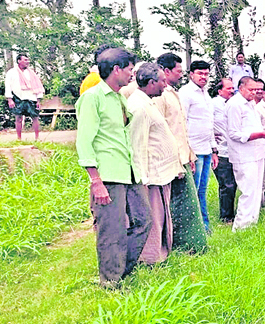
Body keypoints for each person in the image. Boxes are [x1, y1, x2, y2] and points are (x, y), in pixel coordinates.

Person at [75, 47, 150, 288]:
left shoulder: (118, 97)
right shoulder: (92, 97)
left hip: (129, 171)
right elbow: (84, 141)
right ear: (116, 69)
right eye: (129, 69)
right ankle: (110, 282)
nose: (132, 74)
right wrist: (96, 181)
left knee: (143, 220)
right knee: (112, 230)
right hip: (108, 174)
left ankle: (121, 269)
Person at [128, 63, 183, 264]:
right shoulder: (139, 106)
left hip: (161, 173)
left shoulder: (148, 102)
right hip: (151, 175)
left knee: (161, 216)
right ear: (151, 83)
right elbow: (137, 144)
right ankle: (149, 259)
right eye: (162, 80)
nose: (165, 84)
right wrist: (142, 179)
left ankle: (160, 254)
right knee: (154, 218)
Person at [154, 52, 207, 252]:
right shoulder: (159, 97)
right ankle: (175, 246)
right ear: (166, 71)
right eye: (178, 71)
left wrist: (190, 155)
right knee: (175, 206)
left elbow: (181, 128)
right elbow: (162, 131)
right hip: (171, 160)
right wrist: (175, 160)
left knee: (189, 204)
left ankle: (190, 246)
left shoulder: (172, 92)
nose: (181, 74)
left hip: (184, 157)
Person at [226, 77, 265, 230]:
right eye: (251, 90)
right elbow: (234, 133)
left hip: (257, 153)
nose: (254, 93)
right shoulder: (235, 104)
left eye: (256, 90)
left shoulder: (251, 104)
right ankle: (240, 227)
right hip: (244, 155)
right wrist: (261, 134)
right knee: (247, 192)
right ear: (241, 88)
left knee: (256, 191)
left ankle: (251, 224)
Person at [180, 60, 219, 231]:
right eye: (200, 73)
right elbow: (181, 123)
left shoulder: (206, 94)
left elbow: (209, 124)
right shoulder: (186, 93)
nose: (204, 77)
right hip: (193, 151)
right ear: (191, 74)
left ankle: (204, 227)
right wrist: (188, 153)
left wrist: (214, 150)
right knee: (193, 193)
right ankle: (191, 230)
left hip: (206, 150)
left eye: (206, 74)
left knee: (202, 191)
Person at [212, 79, 237, 223]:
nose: (232, 90)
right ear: (220, 90)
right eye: (229, 88)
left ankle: (231, 213)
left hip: (233, 150)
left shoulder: (232, 104)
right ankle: (226, 217)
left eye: (233, 88)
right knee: (227, 184)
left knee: (233, 184)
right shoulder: (214, 104)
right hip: (221, 150)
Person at [5, 53, 45, 140]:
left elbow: (38, 86)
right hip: (18, 97)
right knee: (18, 118)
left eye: (28, 60)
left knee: (35, 117)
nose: (28, 62)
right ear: (19, 61)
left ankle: (37, 138)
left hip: (31, 97)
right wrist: (9, 99)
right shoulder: (12, 72)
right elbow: (8, 86)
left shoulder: (32, 73)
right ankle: (19, 139)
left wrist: (38, 101)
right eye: (25, 60)